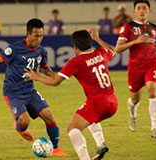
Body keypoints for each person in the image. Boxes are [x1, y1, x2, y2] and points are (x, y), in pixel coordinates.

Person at [24, 29, 118, 160]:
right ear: (90, 42)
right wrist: (97, 38)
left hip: (98, 103)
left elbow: (55, 81)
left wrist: (36, 77)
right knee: (87, 115)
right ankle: (101, 143)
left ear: (75, 47)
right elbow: (113, 50)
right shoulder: (101, 53)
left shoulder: (76, 62)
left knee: (73, 128)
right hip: (113, 103)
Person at [0, 18, 69, 156]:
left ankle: (56, 149)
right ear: (28, 34)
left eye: (41, 36)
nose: (39, 39)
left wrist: (53, 74)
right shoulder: (14, 49)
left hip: (29, 90)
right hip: (13, 92)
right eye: (36, 36)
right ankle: (19, 128)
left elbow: (44, 68)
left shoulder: (41, 51)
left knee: (49, 116)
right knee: (25, 120)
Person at [115, 0, 156, 138]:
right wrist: (136, 41)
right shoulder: (128, 26)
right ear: (135, 12)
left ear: (149, 11)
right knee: (135, 99)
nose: (142, 10)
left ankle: (154, 128)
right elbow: (118, 48)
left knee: (152, 90)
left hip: (151, 63)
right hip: (135, 67)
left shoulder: (154, 28)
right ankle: (132, 112)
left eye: (145, 8)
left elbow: (151, 46)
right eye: (139, 8)